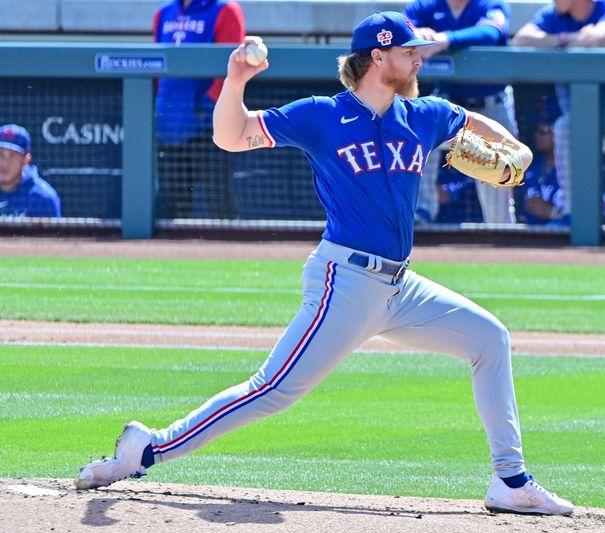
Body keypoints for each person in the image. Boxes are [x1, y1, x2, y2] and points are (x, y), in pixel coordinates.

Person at [74, 11, 574, 517]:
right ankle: (149, 448)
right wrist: (237, 79)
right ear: (378, 57)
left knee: (490, 340)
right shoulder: (322, 114)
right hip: (346, 281)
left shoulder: (421, 114)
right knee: (271, 390)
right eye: (409, 51)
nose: (418, 57)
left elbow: (467, 120)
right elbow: (230, 135)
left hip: (401, 288)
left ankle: (510, 482)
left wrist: (515, 149)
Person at [512, 0, 605, 228]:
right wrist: (565, 38)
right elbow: (520, 40)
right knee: (564, 127)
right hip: (581, 119)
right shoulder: (554, 14)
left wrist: (552, 41)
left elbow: (597, 40)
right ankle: (572, 223)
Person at [405, 0, 519, 224]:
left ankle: (500, 233)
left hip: (491, 104)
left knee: (499, 178)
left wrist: (445, 39)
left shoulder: (490, 3)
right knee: (419, 137)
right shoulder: (425, 5)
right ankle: (422, 214)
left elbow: (491, 32)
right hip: (449, 102)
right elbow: (402, 26)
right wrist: (414, 33)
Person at [154, 0, 245, 219]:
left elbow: (233, 71)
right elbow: (158, 69)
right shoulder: (164, 13)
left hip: (210, 130)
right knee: (171, 210)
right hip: (168, 127)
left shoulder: (225, 9)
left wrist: (206, 107)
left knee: (220, 207)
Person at [516, 97, 568, 226]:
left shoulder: (579, 170)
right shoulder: (530, 166)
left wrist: (552, 212)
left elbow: (604, 215)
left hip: (563, 240)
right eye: (537, 128)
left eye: (544, 129)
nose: (537, 135)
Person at [0, 124, 61, 217]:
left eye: (13, 156)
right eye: (0, 154)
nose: (4, 163)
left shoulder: (43, 199)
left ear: (26, 159)